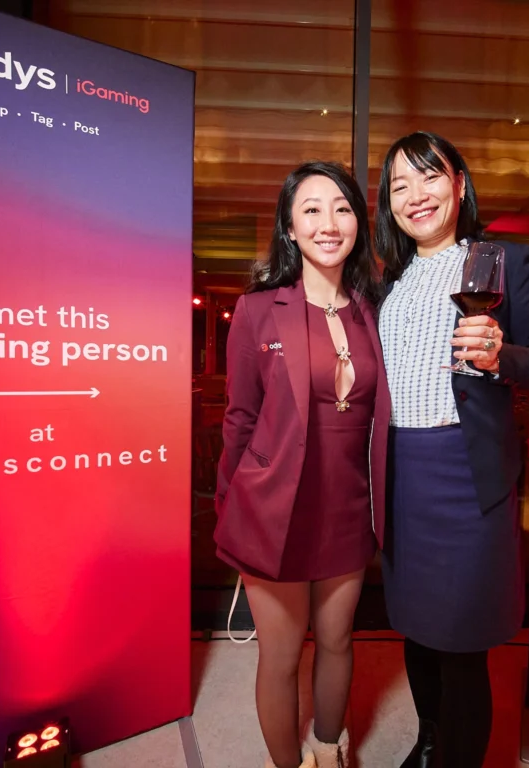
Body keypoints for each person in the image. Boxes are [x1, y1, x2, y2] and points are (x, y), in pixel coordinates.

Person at [374, 131, 529, 768]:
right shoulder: (389, 281)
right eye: (399, 185)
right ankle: (429, 743)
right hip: (402, 476)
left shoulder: (500, 261)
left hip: (466, 474)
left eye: (429, 176)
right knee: (417, 628)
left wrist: (500, 356)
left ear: (458, 183)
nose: (416, 195)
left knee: (461, 641)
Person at [214, 161, 392, 768]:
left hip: (349, 505)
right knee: (282, 655)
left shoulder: (375, 310)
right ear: (290, 227)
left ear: (358, 223)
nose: (328, 223)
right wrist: (231, 511)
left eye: (342, 209)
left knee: (338, 641)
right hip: (272, 509)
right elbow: (240, 419)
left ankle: (328, 747)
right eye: (311, 210)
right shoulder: (259, 309)